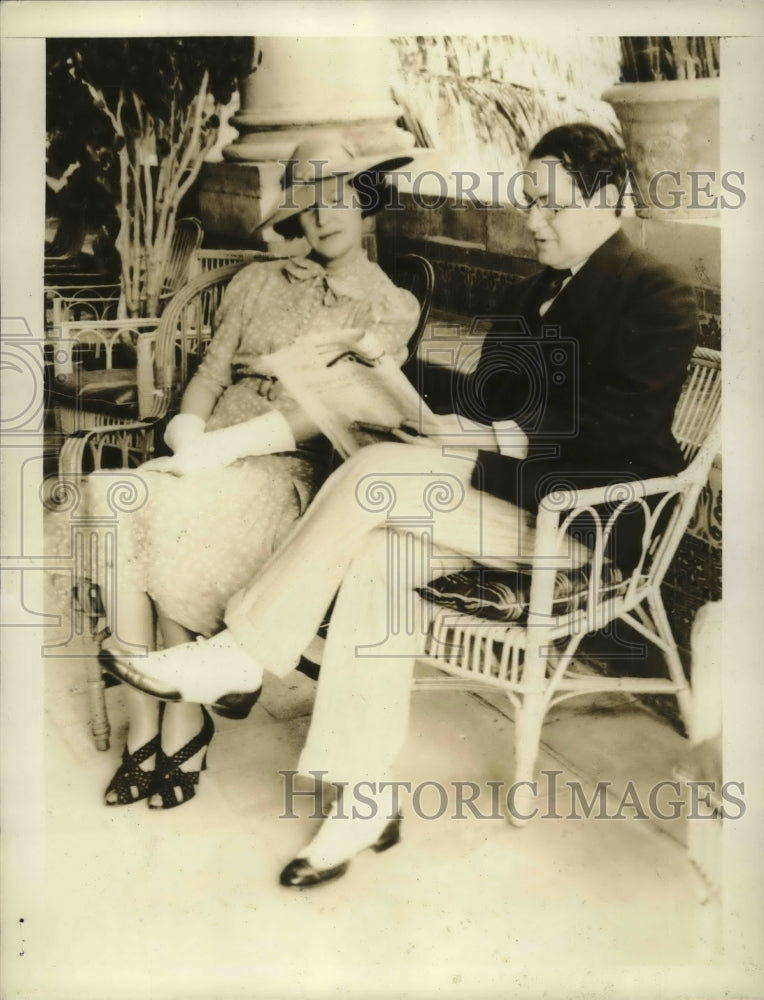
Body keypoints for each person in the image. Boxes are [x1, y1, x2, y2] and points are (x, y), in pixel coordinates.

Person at [103, 123, 698, 881]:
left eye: (548, 204)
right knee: (379, 559)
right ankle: (364, 799)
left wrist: (486, 437)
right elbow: (491, 400)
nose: (532, 219)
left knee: (380, 474)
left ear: (609, 199)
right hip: (506, 500)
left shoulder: (656, 291)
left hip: (590, 517)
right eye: (527, 202)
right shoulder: (530, 292)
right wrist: (401, 383)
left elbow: (623, 426)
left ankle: (246, 651)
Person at [91, 133, 420, 810]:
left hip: (289, 468)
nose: (325, 215)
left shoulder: (389, 305)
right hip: (203, 448)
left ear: (361, 203)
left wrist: (225, 449)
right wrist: (189, 428)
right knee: (111, 496)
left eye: (338, 198)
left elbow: (339, 406)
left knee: (169, 510)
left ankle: (182, 724)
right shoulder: (255, 281)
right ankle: (145, 726)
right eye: (310, 201)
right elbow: (210, 371)